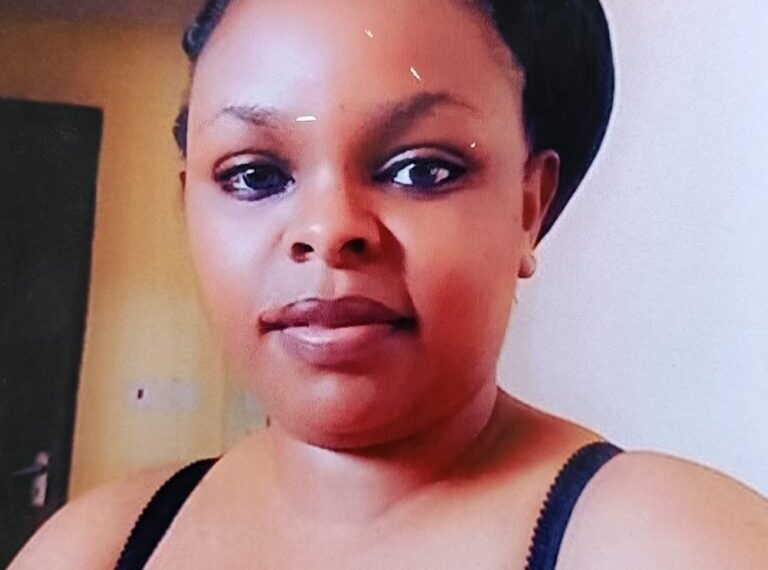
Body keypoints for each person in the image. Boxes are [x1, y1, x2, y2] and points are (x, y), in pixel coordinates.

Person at [11, 0, 768, 568]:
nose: (328, 228)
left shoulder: (674, 543)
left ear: (528, 207)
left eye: (421, 169)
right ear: (188, 205)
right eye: (254, 175)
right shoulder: (90, 548)